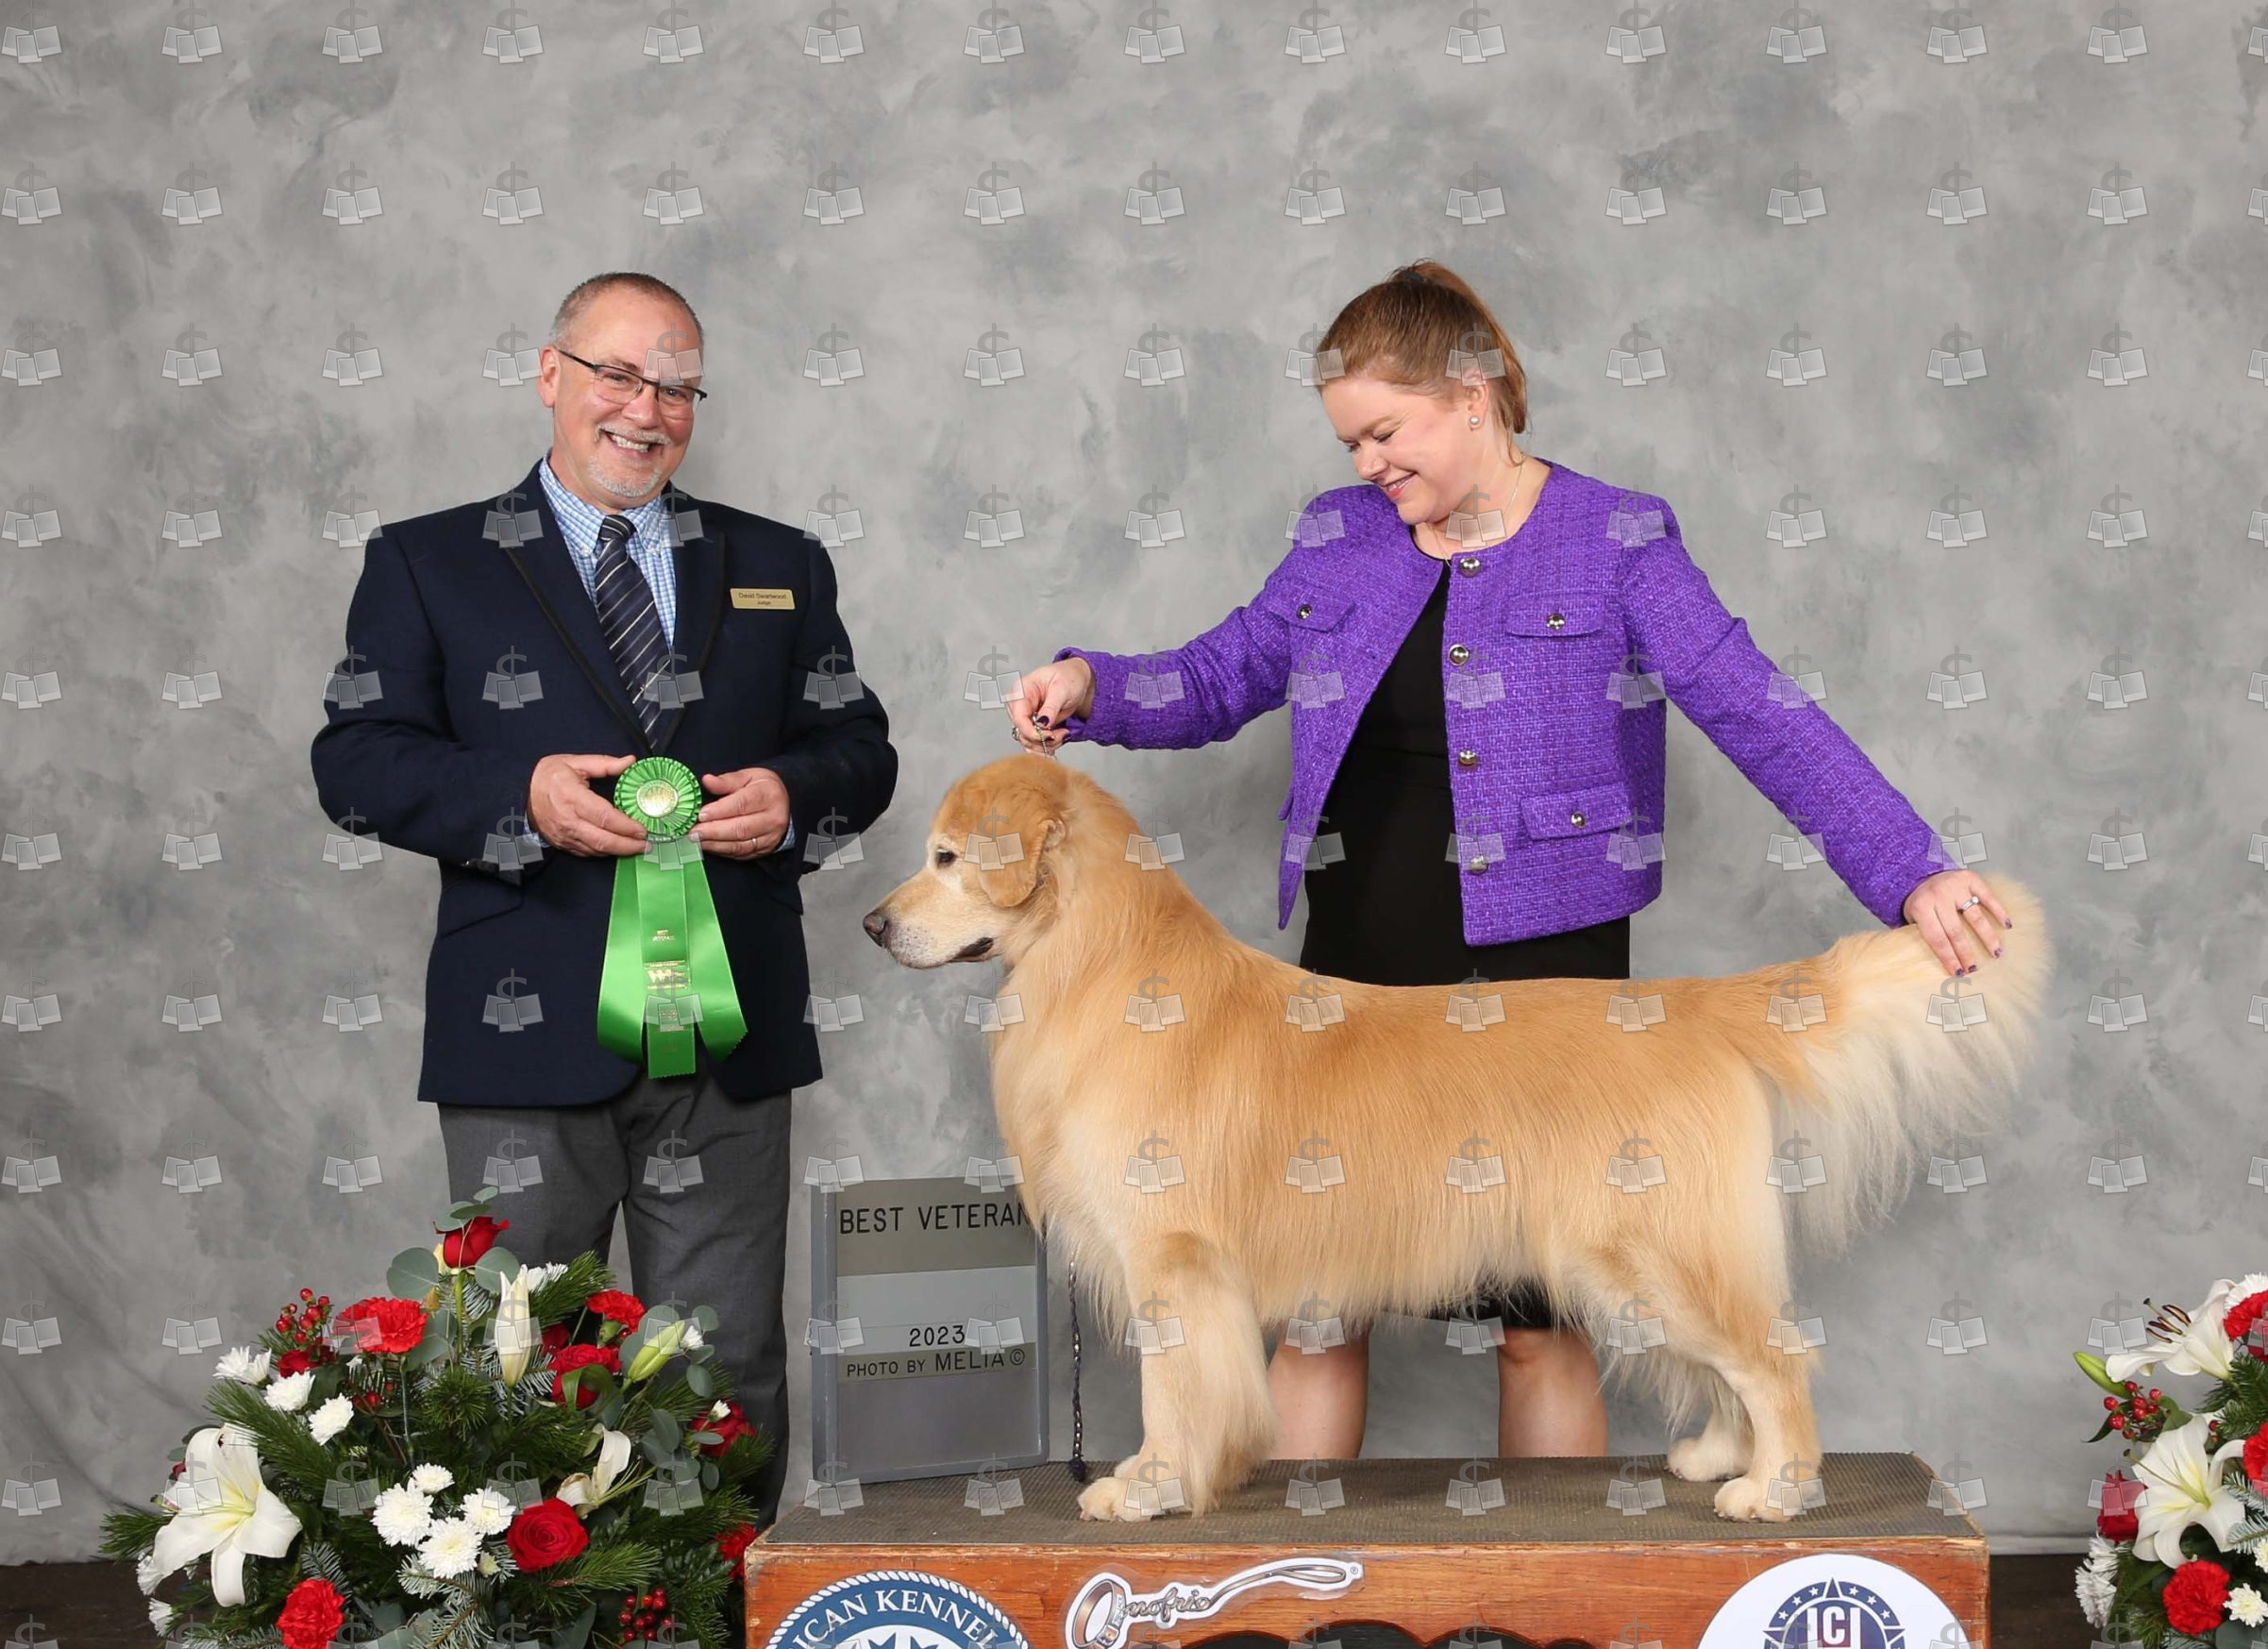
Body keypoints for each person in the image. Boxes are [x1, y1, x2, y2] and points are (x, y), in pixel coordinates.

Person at [1006, 260, 2010, 1462]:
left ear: (1472, 396)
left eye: (1386, 432)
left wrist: (1909, 868)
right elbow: (1221, 672)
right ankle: (1296, 1567)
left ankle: (1545, 1572)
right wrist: (1093, 684)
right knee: (1317, 1305)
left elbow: (1755, 706)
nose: (1367, 464)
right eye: (1350, 442)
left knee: (1541, 1320)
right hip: (1360, 957)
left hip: (1546, 962)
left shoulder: (1614, 538)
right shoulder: (1337, 538)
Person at [309, 271, 897, 1518]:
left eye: (677, 388)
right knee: (514, 1365)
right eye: (619, 375)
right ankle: (519, 1626)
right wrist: (518, 797)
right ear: (551, 375)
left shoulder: (780, 563)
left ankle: (718, 1622)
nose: (647, 409)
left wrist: (794, 795)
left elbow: (860, 749)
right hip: (520, 1030)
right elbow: (353, 763)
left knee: (724, 1365)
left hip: (727, 1030)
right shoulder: (427, 561)